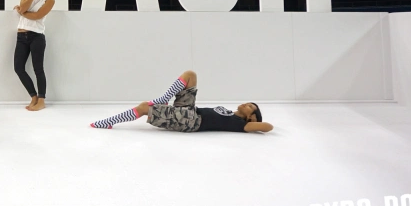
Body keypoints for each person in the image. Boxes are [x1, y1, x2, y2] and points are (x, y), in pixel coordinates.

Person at [88, 70, 273, 133]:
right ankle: (163, 99)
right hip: (190, 110)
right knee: (190, 75)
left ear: (251, 117)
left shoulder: (239, 125)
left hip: (191, 121)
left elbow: (268, 127)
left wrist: (254, 124)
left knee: (145, 107)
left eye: (251, 106)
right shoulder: (229, 112)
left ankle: (108, 122)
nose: (247, 104)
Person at [12, 0, 57, 111]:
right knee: (18, 68)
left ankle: (41, 100)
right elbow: (24, 7)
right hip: (21, 37)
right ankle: (33, 97)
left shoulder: (50, 0)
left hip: (37, 36)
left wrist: (22, 12)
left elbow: (38, 16)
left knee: (38, 69)